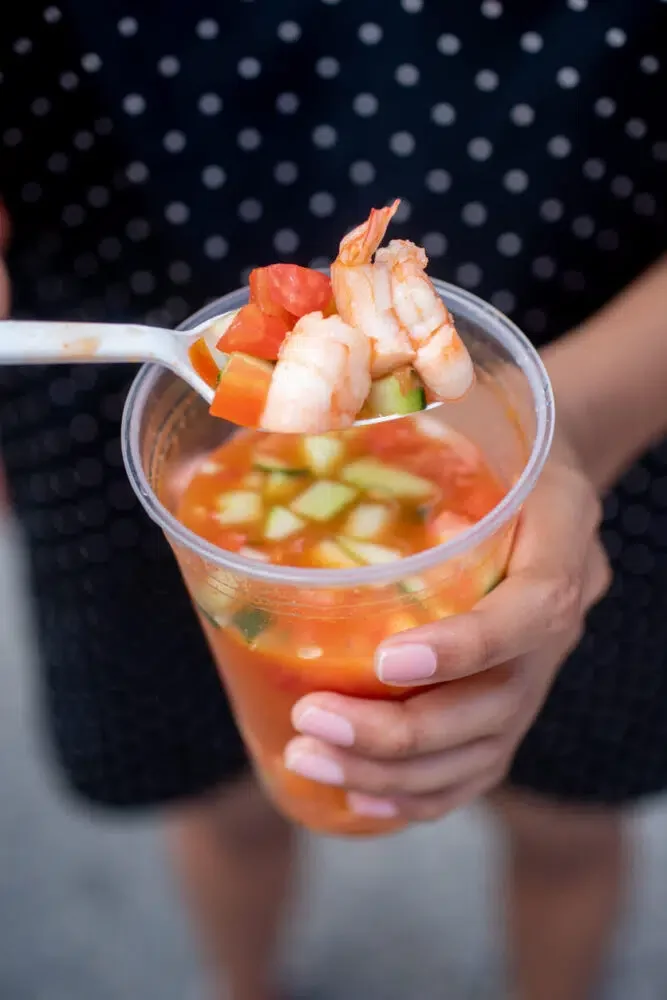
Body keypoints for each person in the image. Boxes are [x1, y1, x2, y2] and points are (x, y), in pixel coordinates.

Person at [1, 2, 666, 998]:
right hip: (112, 310)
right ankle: (244, 983)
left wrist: (582, 419)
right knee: (217, 788)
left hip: (599, 388)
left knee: (567, 814)